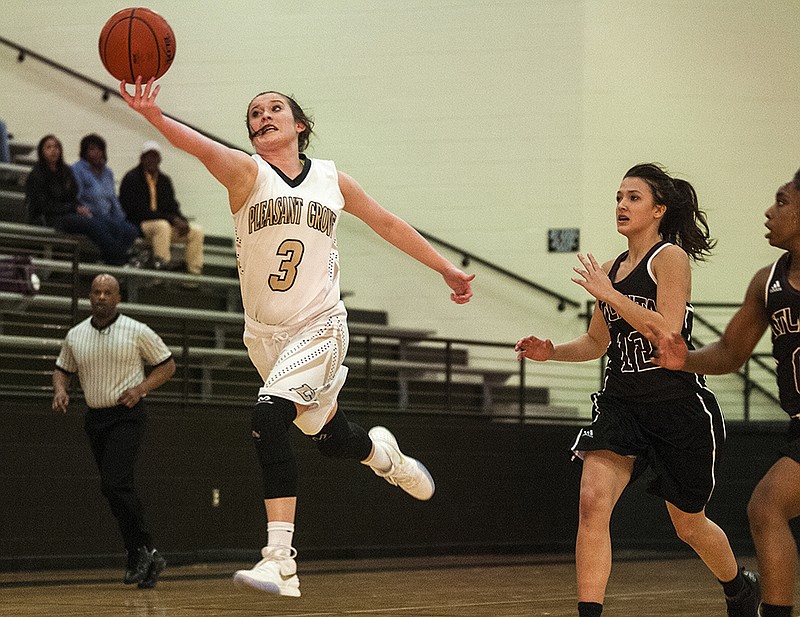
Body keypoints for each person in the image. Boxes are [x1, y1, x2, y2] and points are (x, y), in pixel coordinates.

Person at [120, 77, 474, 597]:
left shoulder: (332, 179)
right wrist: (153, 116)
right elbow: (195, 144)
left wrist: (445, 268)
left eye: (274, 109)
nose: (263, 116)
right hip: (265, 338)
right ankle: (386, 458)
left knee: (268, 419)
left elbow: (388, 224)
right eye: (254, 113)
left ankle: (279, 560)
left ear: (299, 125)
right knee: (328, 437)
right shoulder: (246, 173)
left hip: (321, 326)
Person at [514, 163, 759, 617]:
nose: (622, 205)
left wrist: (609, 294)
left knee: (688, 525)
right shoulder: (609, 270)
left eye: (633, 198)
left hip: (677, 406)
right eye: (618, 197)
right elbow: (595, 342)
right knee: (591, 504)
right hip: (621, 404)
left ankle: (738, 585)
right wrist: (551, 352)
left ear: (658, 210)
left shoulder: (669, 259)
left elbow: (665, 331)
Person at [653, 168, 800, 617]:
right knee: (766, 507)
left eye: (782, 201)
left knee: (766, 505)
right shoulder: (767, 282)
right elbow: (731, 351)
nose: (769, 211)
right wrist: (684, 359)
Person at [52, 273, 175, 589]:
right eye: (96, 292)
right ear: (89, 297)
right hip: (95, 417)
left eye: (108, 292)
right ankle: (147, 555)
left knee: (114, 483)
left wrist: (141, 388)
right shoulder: (76, 335)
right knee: (114, 489)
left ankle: (139, 550)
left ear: (118, 298)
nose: (101, 297)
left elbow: (167, 365)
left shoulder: (136, 331)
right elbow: (62, 369)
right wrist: (60, 391)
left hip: (127, 415)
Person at [24, 135, 136, 265]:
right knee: (91, 224)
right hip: (50, 217)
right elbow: (42, 205)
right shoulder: (36, 175)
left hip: (70, 212)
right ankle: (118, 257)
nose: (53, 150)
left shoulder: (65, 171)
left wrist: (79, 208)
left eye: (56, 147)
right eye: (49, 147)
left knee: (109, 223)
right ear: (41, 151)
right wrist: (73, 208)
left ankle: (112, 257)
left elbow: (73, 196)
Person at [119, 140, 205, 274]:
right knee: (162, 226)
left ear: (159, 159)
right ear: (142, 158)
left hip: (163, 224)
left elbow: (172, 206)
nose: (152, 160)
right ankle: (162, 273)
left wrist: (182, 220)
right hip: (140, 225)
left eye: (155, 156)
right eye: (149, 156)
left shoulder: (165, 181)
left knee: (196, 231)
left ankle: (193, 277)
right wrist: (171, 219)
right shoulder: (132, 178)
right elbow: (137, 212)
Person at [71, 133, 140, 264]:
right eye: (92, 149)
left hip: (108, 215)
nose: (96, 153)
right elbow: (76, 196)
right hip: (90, 213)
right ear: (84, 152)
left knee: (131, 230)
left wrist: (121, 218)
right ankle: (118, 261)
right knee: (115, 228)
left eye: (99, 149)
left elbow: (113, 199)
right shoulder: (77, 170)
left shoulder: (108, 172)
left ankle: (111, 259)